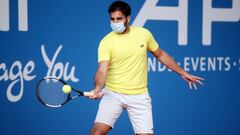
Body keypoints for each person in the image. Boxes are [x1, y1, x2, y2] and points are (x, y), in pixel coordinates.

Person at [88, 1, 204, 135]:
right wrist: (97, 88)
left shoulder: (144, 34)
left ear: (128, 18)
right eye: (112, 19)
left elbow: (160, 54)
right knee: (97, 133)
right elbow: (102, 69)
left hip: (139, 95)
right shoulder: (106, 42)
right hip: (114, 93)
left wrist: (182, 73)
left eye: (119, 19)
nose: (115, 22)